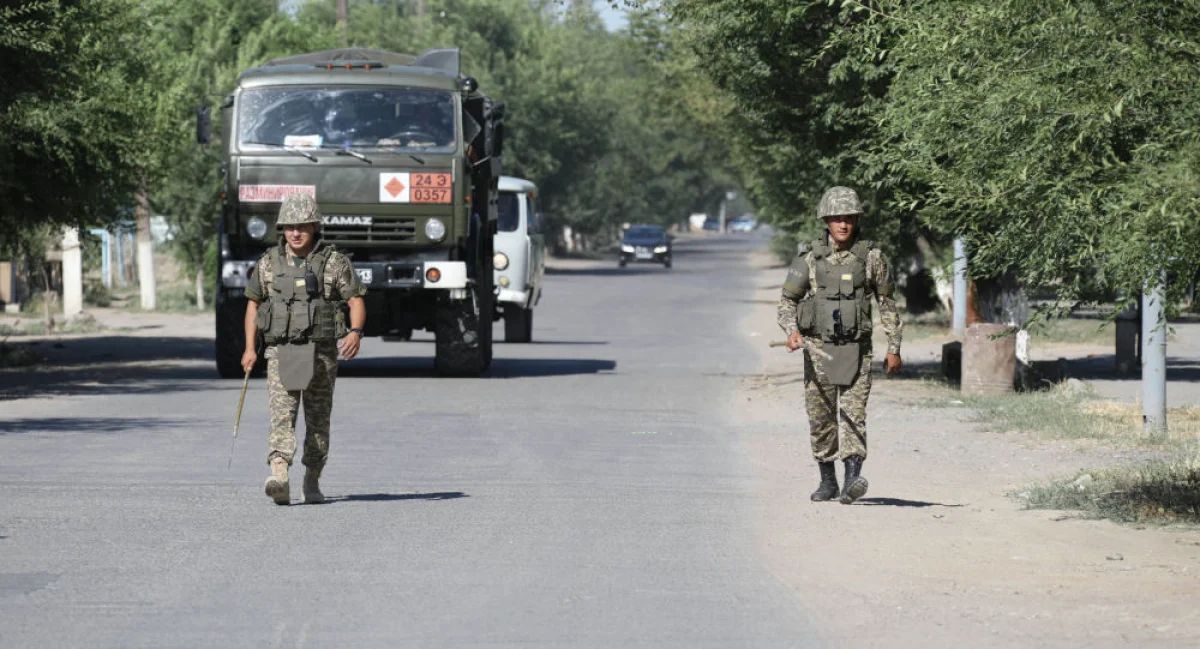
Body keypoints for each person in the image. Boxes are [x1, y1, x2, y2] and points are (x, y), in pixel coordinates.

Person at [776, 186, 903, 504]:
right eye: (836, 219)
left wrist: (894, 346)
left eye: (848, 218)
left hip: (857, 351)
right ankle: (828, 481)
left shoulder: (872, 259)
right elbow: (786, 302)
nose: (843, 225)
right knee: (820, 418)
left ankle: (851, 481)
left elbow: (887, 303)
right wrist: (792, 331)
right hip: (819, 351)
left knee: (853, 415)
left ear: (856, 220)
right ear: (826, 221)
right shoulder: (809, 259)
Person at [241, 193, 367, 505]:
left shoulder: (335, 263)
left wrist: (355, 332)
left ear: (314, 228)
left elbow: (355, 300)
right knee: (281, 417)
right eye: (289, 227)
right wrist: (249, 348)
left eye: (302, 227)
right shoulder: (268, 264)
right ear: (282, 229)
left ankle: (312, 479)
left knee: (318, 420)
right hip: (281, 352)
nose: (295, 233)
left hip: (321, 354)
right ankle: (279, 475)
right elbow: (253, 306)